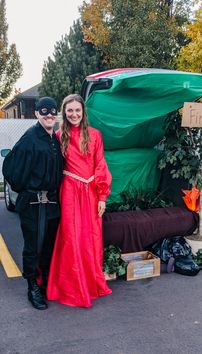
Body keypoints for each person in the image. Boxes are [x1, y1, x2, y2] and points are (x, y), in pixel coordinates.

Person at [47, 94, 112, 307]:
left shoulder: (95, 135)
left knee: (91, 237)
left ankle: (91, 282)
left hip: (92, 190)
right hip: (69, 191)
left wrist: (102, 195)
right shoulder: (58, 136)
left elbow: (100, 164)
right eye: (70, 111)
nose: (74, 114)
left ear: (83, 112)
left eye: (77, 110)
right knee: (71, 237)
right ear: (64, 113)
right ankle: (72, 287)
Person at [2, 97, 64, 310]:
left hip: (53, 204)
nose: (49, 114)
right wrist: (28, 192)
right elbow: (11, 170)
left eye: (52, 111)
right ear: (36, 114)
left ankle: (44, 282)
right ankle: (32, 288)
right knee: (33, 248)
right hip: (33, 204)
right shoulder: (29, 138)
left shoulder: (53, 138)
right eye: (44, 111)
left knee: (47, 247)